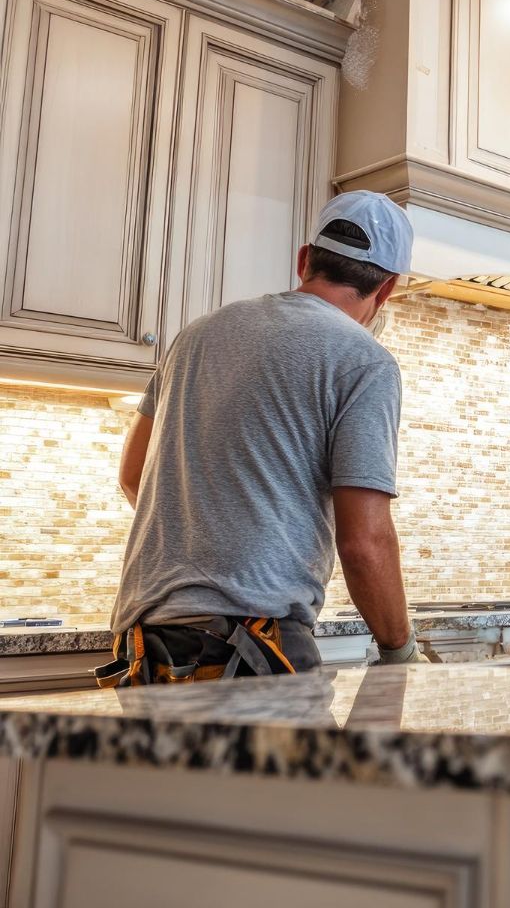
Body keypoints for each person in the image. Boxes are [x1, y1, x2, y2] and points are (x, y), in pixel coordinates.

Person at [98, 190, 426, 687]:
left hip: (145, 646)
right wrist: (401, 651)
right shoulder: (364, 360)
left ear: (304, 260)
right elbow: (364, 541)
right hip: (248, 648)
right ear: (387, 289)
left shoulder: (197, 335)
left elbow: (131, 473)